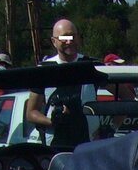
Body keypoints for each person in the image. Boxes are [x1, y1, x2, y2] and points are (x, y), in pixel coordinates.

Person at [26, 19, 95, 149]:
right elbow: (31, 113)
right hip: (54, 148)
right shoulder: (44, 69)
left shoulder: (90, 66)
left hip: (88, 147)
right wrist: (53, 121)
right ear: (54, 41)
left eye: (73, 36)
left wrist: (110, 129)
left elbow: (127, 96)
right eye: (64, 38)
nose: (69, 41)